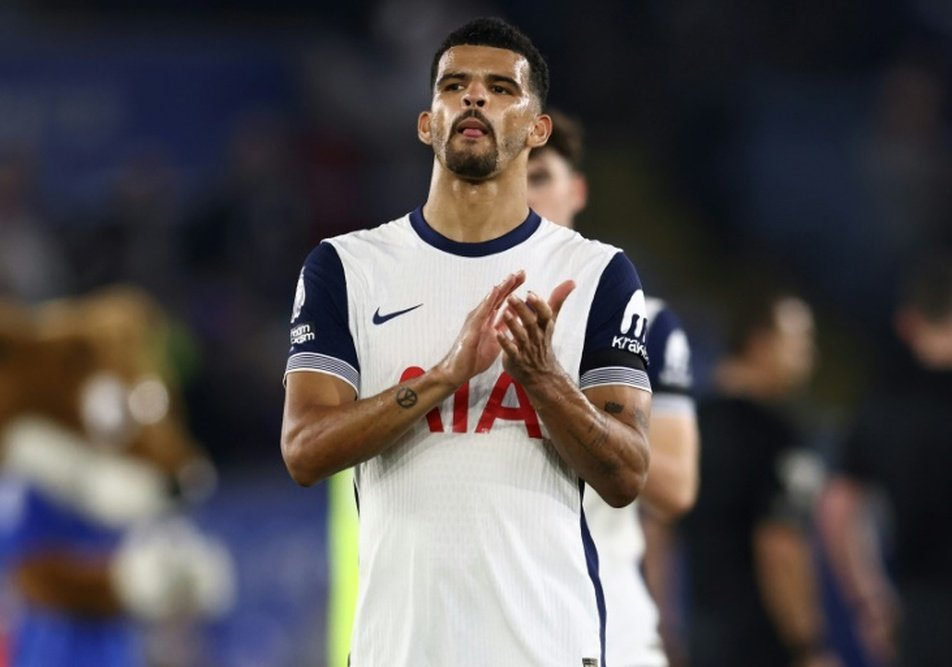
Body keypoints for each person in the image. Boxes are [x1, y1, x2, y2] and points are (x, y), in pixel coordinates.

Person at [281, 17, 653, 666]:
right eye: (454, 85)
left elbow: (626, 474)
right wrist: (443, 377)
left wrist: (543, 378)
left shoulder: (597, 274)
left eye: (500, 88)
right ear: (428, 122)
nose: (474, 97)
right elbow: (304, 451)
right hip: (400, 650)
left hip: (547, 648)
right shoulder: (346, 268)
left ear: (538, 130)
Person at [527, 109, 699, 667]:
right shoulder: (458, 316)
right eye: (510, 178)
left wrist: (554, 392)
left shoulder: (642, 320)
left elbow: (674, 487)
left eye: (540, 177)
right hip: (491, 617)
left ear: (577, 190)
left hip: (607, 622)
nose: (524, 195)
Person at [680, 289, 839, 667]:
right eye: (800, 342)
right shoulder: (784, 436)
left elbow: (658, 530)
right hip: (764, 643)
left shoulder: (688, 428)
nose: (810, 356)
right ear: (760, 343)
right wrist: (807, 645)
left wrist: (665, 629)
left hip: (703, 637)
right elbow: (781, 543)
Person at [820, 255, 952, 667]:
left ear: (908, 322)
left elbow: (837, 509)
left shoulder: (881, 406)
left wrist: (871, 604)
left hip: (923, 615)